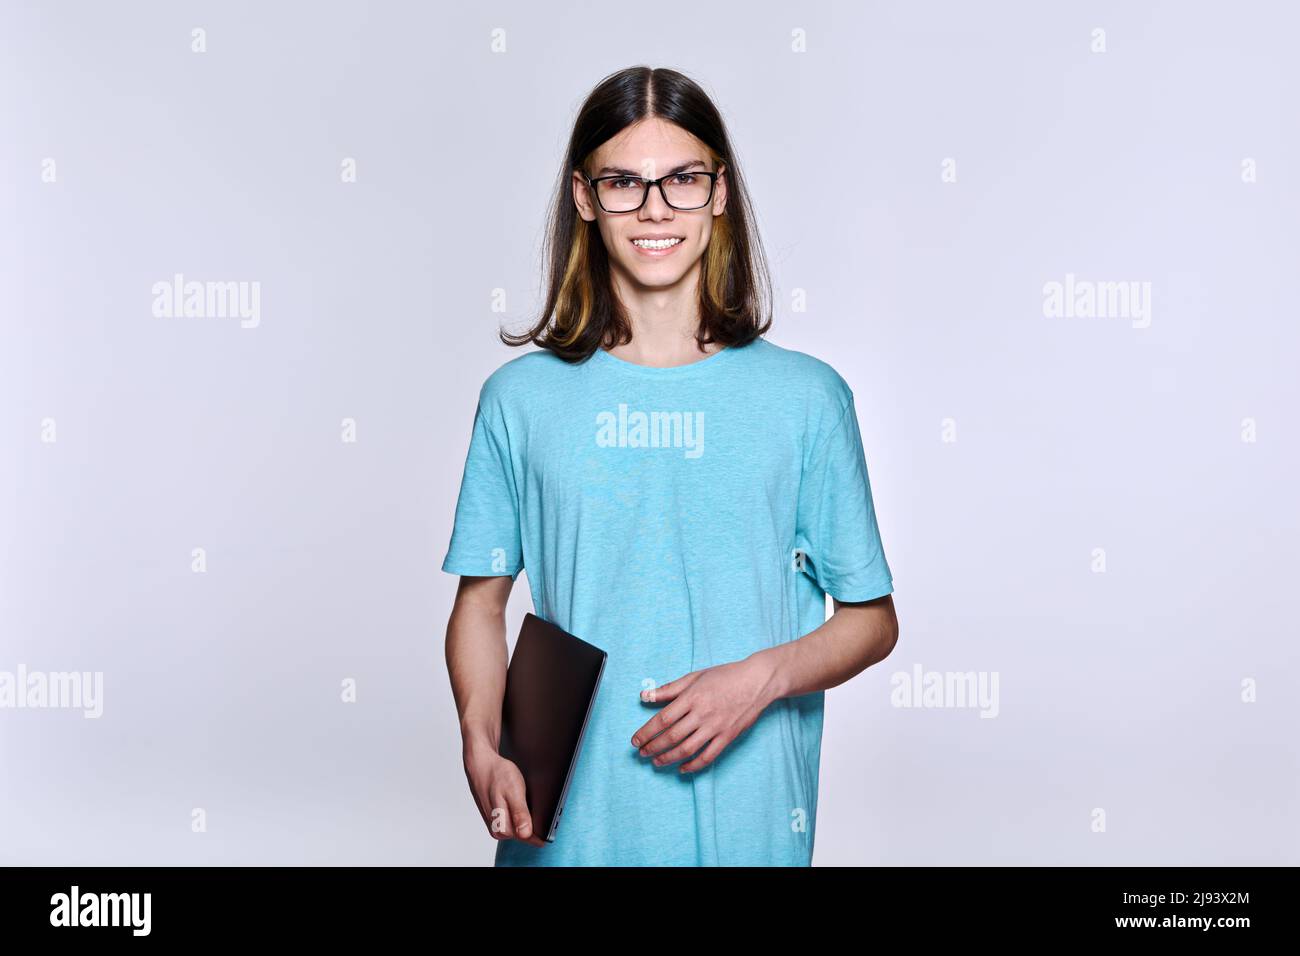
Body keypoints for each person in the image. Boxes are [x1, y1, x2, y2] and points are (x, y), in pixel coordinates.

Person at [442, 65, 899, 866]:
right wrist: (480, 740)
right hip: (570, 826)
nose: (655, 208)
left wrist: (760, 677)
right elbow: (481, 606)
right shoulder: (520, 400)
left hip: (746, 818)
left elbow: (872, 619)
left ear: (719, 192)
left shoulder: (806, 400)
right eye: (624, 181)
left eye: (682, 179)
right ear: (585, 198)